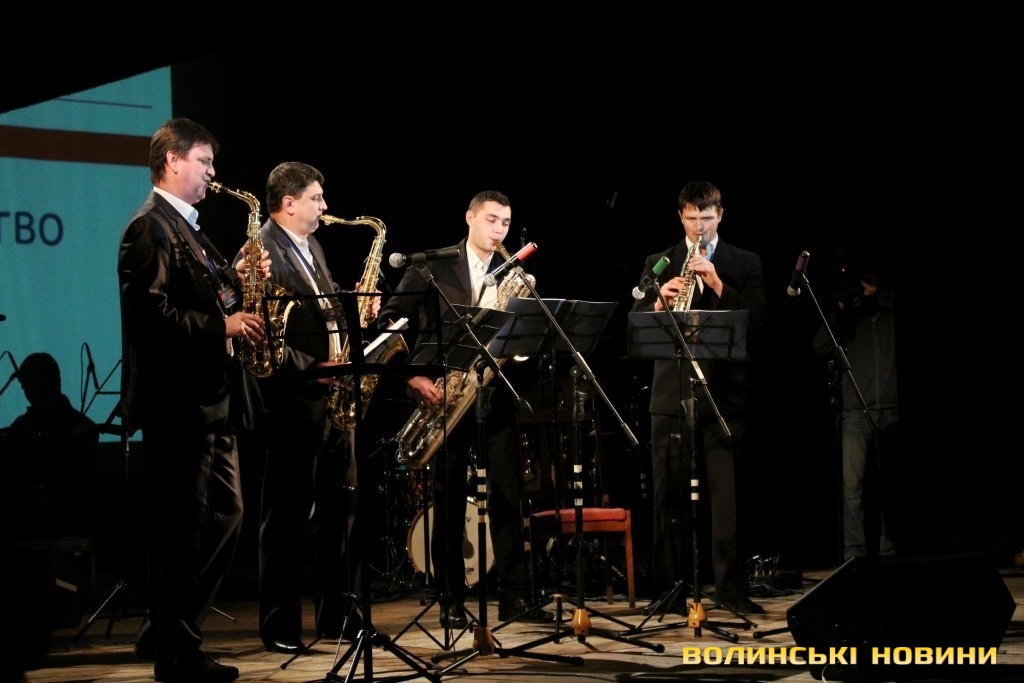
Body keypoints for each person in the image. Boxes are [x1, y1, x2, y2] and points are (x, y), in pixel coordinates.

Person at [118, 117, 267, 683]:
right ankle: (176, 652)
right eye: (203, 161)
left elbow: (208, 292)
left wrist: (239, 275)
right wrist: (221, 326)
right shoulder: (149, 228)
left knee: (225, 516)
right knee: (183, 529)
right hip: (178, 404)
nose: (212, 172)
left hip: (210, 401)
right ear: (173, 161)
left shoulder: (187, 228)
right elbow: (148, 316)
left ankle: (166, 627)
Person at [376, 190, 553, 629]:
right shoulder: (431, 266)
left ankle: (514, 596)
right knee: (449, 499)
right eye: (491, 220)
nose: (499, 230)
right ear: (470, 218)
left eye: (506, 223)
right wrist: (412, 377)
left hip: (493, 395)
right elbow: (390, 321)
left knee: (508, 495)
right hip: (445, 396)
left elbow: (524, 340)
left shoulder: (510, 273)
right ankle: (450, 598)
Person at [235, 161, 371, 654]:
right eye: (316, 198)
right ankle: (280, 626)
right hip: (290, 401)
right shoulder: (259, 251)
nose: (325, 206)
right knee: (286, 517)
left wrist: (357, 306)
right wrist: (316, 367)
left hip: (329, 398)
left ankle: (337, 617)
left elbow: (324, 309)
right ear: (288, 203)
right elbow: (261, 339)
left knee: (339, 511)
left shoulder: (311, 246)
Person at [630, 180, 767, 616]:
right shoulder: (659, 262)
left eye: (706, 218)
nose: (699, 227)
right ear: (681, 217)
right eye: (691, 219)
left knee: (728, 501)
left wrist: (718, 284)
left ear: (720, 215)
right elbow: (635, 323)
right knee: (667, 499)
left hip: (725, 396)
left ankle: (731, 590)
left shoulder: (744, 262)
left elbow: (760, 321)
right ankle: (669, 590)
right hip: (671, 395)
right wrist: (658, 304)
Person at [813, 266, 898, 562]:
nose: (866, 291)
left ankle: (889, 551)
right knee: (852, 488)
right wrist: (840, 312)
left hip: (891, 410)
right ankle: (854, 554)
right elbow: (820, 345)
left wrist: (879, 293)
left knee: (890, 487)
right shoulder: (849, 321)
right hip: (855, 413)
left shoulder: (890, 316)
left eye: (871, 284)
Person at [4, 351, 100, 541]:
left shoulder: (80, 428)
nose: (26, 391)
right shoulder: (84, 424)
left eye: (27, 385)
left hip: (64, 527)